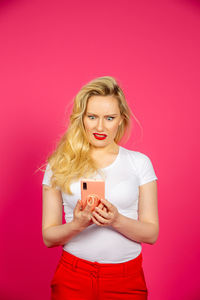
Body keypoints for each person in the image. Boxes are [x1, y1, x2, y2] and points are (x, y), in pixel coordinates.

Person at [42, 76, 159, 300]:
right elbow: (49, 237)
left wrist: (116, 220)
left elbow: (152, 233)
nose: (100, 126)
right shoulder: (59, 164)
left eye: (109, 118)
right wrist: (78, 224)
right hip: (73, 277)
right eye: (92, 116)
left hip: (126, 280)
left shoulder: (139, 162)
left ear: (120, 120)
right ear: (82, 118)